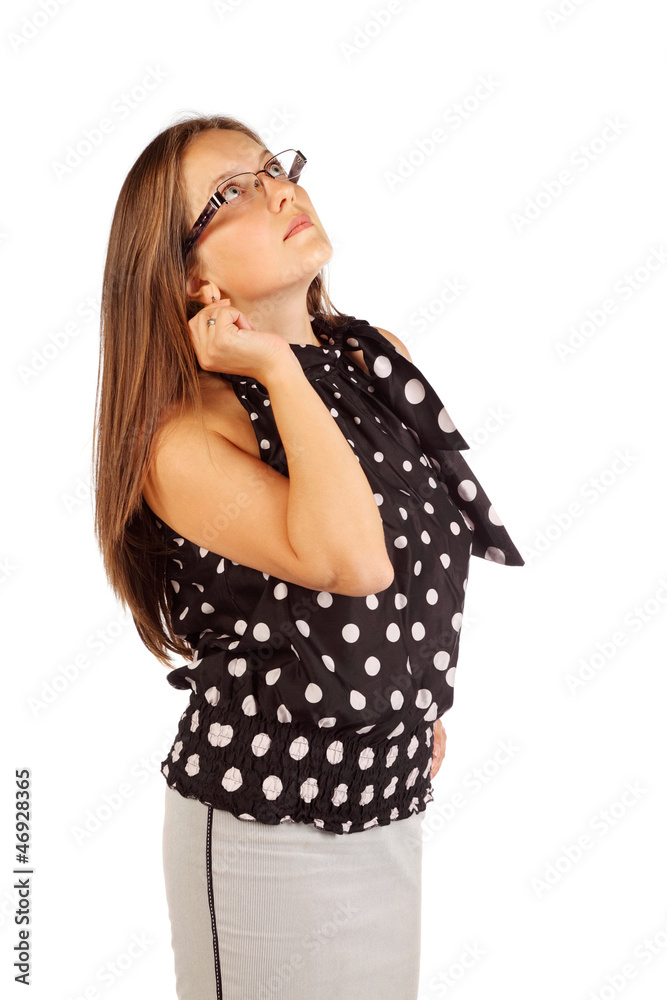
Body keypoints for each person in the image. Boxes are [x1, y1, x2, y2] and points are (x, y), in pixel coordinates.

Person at [92, 112, 524, 1000]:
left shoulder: (372, 361)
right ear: (189, 279)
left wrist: (409, 696)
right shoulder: (183, 437)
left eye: (271, 168)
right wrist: (277, 370)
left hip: (386, 801)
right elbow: (350, 562)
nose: (280, 191)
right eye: (230, 193)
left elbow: (411, 562)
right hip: (264, 822)